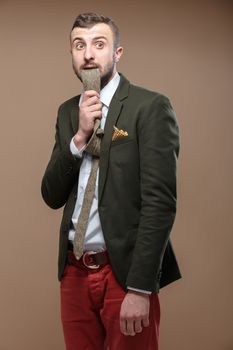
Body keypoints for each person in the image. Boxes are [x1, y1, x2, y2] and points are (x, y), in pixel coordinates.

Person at [41, 12, 181, 350]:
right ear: (73, 55)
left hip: (124, 274)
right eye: (79, 45)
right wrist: (78, 138)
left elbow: (160, 203)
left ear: (116, 53)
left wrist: (140, 288)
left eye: (98, 44)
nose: (88, 53)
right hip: (74, 273)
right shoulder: (66, 112)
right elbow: (51, 194)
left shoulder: (149, 107)